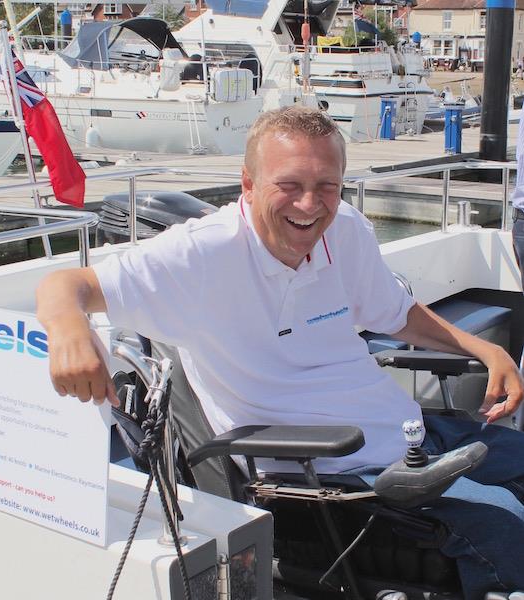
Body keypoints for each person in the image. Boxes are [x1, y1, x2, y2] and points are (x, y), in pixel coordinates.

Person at [36, 106, 524, 598]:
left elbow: (395, 313)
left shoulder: (346, 230)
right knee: (507, 524)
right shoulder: (202, 254)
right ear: (247, 184)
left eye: (327, 186)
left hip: (407, 433)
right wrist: (70, 332)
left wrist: (483, 349)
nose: (310, 205)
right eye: (289, 184)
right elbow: (64, 285)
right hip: (329, 474)